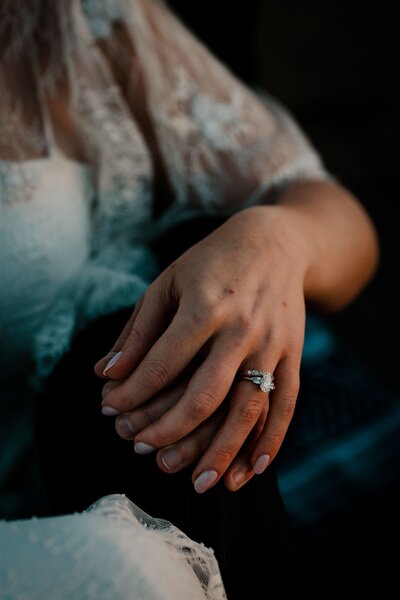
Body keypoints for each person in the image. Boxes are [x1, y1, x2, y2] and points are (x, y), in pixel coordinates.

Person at [0, 0, 379, 598]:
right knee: (123, 571)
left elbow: (342, 222)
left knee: (174, 372)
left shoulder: (72, 18)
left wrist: (274, 240)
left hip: (71, 450)